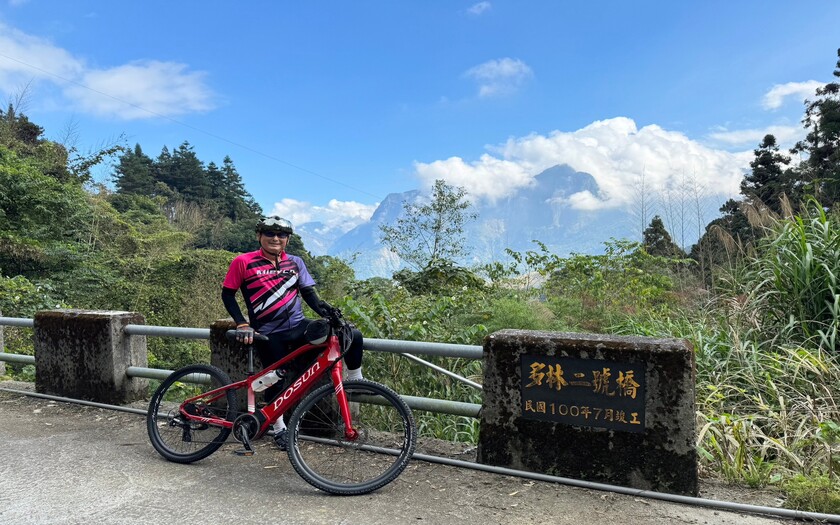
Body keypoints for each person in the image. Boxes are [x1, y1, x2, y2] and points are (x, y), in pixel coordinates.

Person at [221, 215, 364, 450]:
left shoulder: (296, 262)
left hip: (298, 327)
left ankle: (356, 380)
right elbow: (228, 294)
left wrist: (327, 312)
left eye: (281, 235)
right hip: (268, 332)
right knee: (275, 381)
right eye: (269, 233)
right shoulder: (243, 262)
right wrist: (241, 324)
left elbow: (308, 294)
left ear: (287, 239)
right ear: (259, 236)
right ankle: (279, 429)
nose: (275, 238)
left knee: (351, 334)